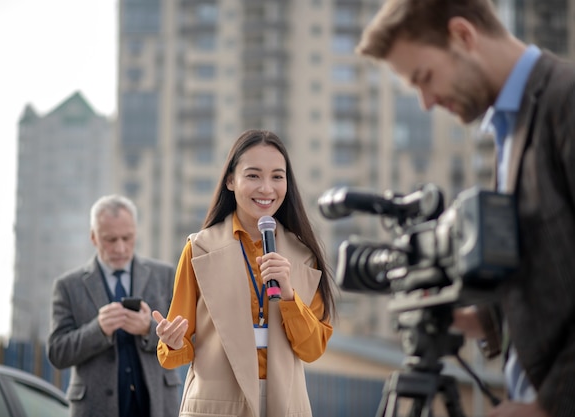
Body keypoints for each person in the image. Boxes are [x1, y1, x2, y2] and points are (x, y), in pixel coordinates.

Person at [355, 1, 575, 417]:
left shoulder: (566, 100)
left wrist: (549, 406)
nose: (425, 102)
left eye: (425, 78)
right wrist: (481, 319)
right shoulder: (511, 126)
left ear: (463, 36)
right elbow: (555, 267)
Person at [152, 129, 336, 417]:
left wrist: (288, 295)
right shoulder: (199, 249)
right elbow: (177, 351)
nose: (266, 188)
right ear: (230, 181)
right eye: (253, 176)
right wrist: (172, 342)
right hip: (215, 406)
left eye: (277, 176)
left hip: (286, 406)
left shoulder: (304, 256)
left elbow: (313, 349)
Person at [47, 194, 181, 417]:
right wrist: (98, 329)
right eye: (110, 239)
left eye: (127, 238)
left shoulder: (165, 276)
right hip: (94, 408)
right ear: (93, 237)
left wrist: (148, 329)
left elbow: (189, 341)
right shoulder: (67, 286)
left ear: (136, 233)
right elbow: (57, 353)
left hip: (157, 405)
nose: (120, 248)